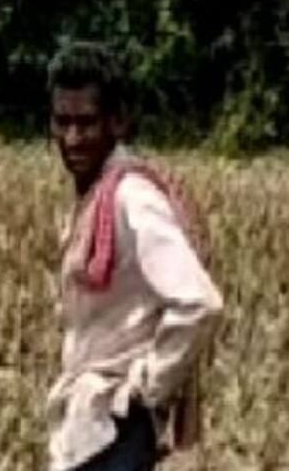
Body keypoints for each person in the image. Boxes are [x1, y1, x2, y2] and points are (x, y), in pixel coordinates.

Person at [44, 42, 223, 471]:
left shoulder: (131, 197)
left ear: (117, 122)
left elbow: (200, 302)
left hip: (117, 422)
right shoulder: (97, 195)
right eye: (62, 122)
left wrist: (147, 386)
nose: (72, 139)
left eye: (86, 123)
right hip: (90, 422)